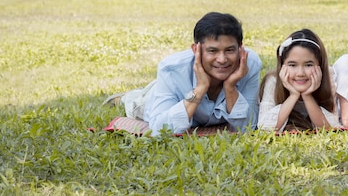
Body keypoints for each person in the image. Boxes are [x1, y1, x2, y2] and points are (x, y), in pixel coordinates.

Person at [104, 12, 261, 134]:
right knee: (137, 101)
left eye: (230, 50)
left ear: (241, 48)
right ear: (196, 49)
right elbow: (160, 129)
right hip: (149, 100)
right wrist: (199, 89)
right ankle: (123, 98)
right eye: (212, 51)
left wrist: (230, 86)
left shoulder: (250, 64)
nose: (222, 59)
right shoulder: (171, 68)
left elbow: (247, 127)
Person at [258, 29, 342, 132]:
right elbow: (265, 128)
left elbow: (330, 129)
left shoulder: (329, 78)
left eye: (308, 65)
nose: (300, 73)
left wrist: (307, 96)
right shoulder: (273, 81)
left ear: (320, 65)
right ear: (282, 65)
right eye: (292, 65)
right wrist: (293, 95)